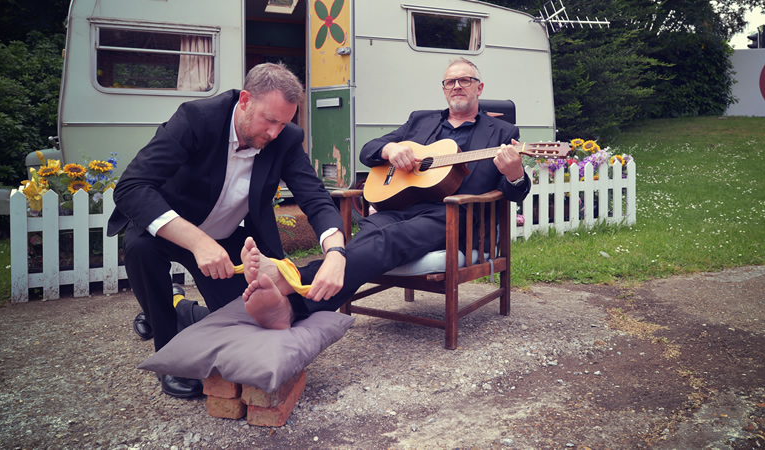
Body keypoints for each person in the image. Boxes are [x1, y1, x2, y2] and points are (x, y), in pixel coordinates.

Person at [106, 63, 347, 398]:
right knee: (139, 247)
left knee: (251, 315)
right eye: (270, 120)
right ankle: (169, 355)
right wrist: (198, 242)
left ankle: (179, 309)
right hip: (172, 229)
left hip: (229, 239)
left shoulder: (286, 139)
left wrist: (336, 252)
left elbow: (316, 199)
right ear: (245, 100)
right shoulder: (196, 118)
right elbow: (131, 186)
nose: (275, 132)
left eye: (284, 122)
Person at [239, 57, 531, 323]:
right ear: (443, 90)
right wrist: (391, 149)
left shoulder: (503, 134)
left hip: (452, 215)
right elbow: (368, 151)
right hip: (400, 205)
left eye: (464, 80)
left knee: (384, 240)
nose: (456, 86)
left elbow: (514, 192)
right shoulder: (421, 120)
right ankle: (289, 311)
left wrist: (515, 173)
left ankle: (292, 282)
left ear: (479, 87)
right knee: (368, 238)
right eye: (450, 81)